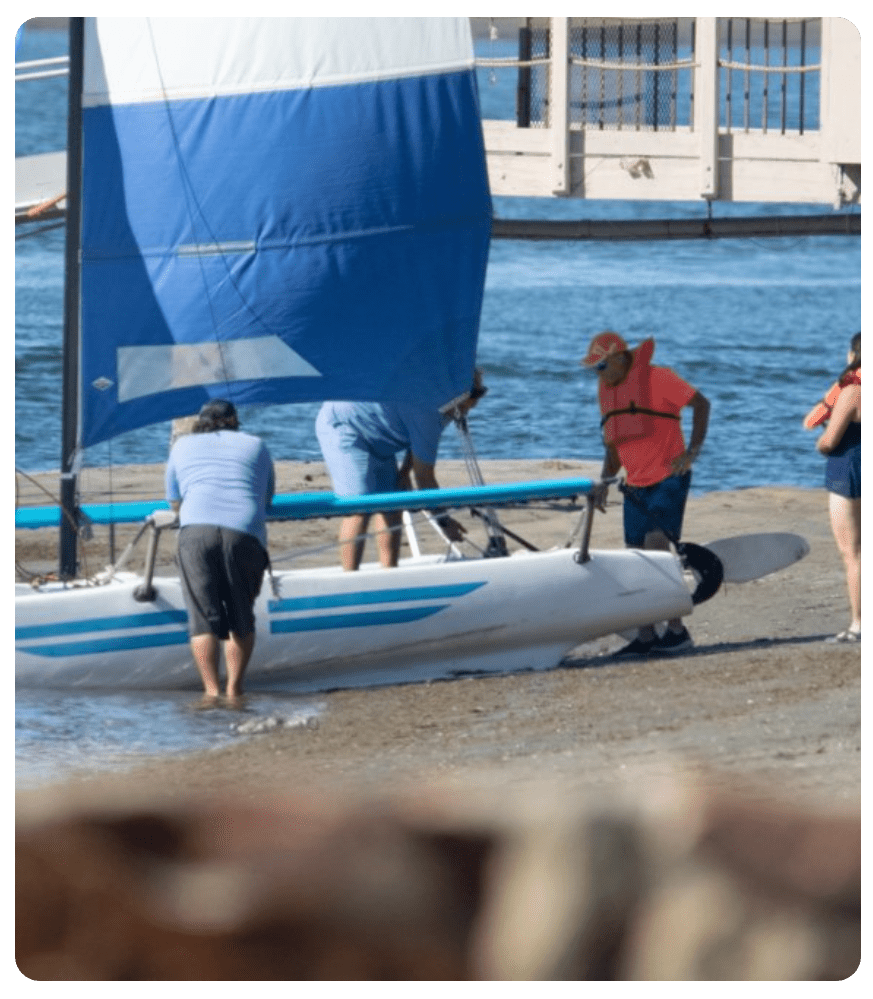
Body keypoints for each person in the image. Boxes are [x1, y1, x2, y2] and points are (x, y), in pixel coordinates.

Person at [581, 330, 710, 658]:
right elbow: (613, 449)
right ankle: (647, 634)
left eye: (601, 366)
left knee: (656, 551)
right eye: (594, 368)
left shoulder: (659, 378)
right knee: (635, 558)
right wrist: (602, 484)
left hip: (668, 477)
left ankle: (678, 632)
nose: (599, 374)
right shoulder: (609, 395)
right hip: (634, 484)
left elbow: (701, 404)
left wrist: (692, 451)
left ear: (621, 357)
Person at [315, 371, 487, 570]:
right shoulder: (432, 411)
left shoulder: (446, 407)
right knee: (359, 507)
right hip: (344, 427)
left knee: (393, 504)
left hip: (380, 439)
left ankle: (389, 572)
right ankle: (349, 579)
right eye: (469, 401)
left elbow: (418, 442)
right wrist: (444, 521)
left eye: (476, 399)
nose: (469, 410)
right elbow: (425, 479)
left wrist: (404, 473)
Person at [165, 399, 275, 700]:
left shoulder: (181, 447)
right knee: (241, 614)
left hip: (195, 532)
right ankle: (235, 689)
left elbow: (174, 501)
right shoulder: (256, 444)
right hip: (243, 532)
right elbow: (266, 499)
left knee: (202, 619)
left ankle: (211, 692)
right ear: (234, 420)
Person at [814, 333, 861, 643]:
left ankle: (859, 624)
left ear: (853, 354)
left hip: (849, 469)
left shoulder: (853, 389)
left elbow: (830, 441)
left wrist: (821, 442)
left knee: (853, 553)